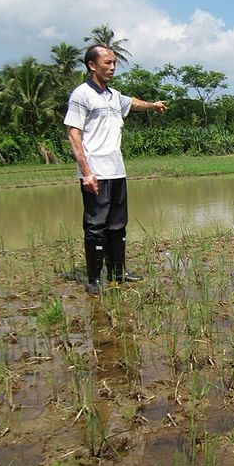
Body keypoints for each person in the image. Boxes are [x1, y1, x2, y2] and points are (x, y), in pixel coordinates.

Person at [64, 45, 167, 294]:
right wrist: (86, 172)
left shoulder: (112, 95)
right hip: (96, 172)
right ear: (92, 65)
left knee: (118, 224)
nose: (112, 67)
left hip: (117, 170)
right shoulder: (82, 95)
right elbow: (74, 134)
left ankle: (118, 272)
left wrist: (153, 105)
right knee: (96, 225)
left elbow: (132, 103)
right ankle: (94, 280)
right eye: (107, 63)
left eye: (113, 63)